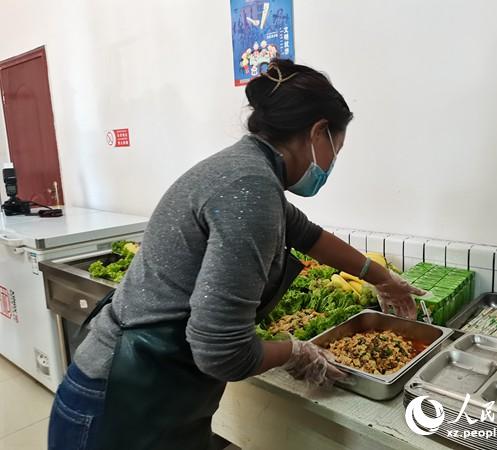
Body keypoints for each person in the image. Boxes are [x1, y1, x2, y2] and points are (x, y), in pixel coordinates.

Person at [47, 59, 424, 450]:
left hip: (147, 394)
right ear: (317, 133)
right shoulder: (250, 187)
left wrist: (382, 278)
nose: (330, 165)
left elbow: (308, 235)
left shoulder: (247, 170)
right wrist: (295, 352)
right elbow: (221, 353)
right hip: (119, 404)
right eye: (336, 151)